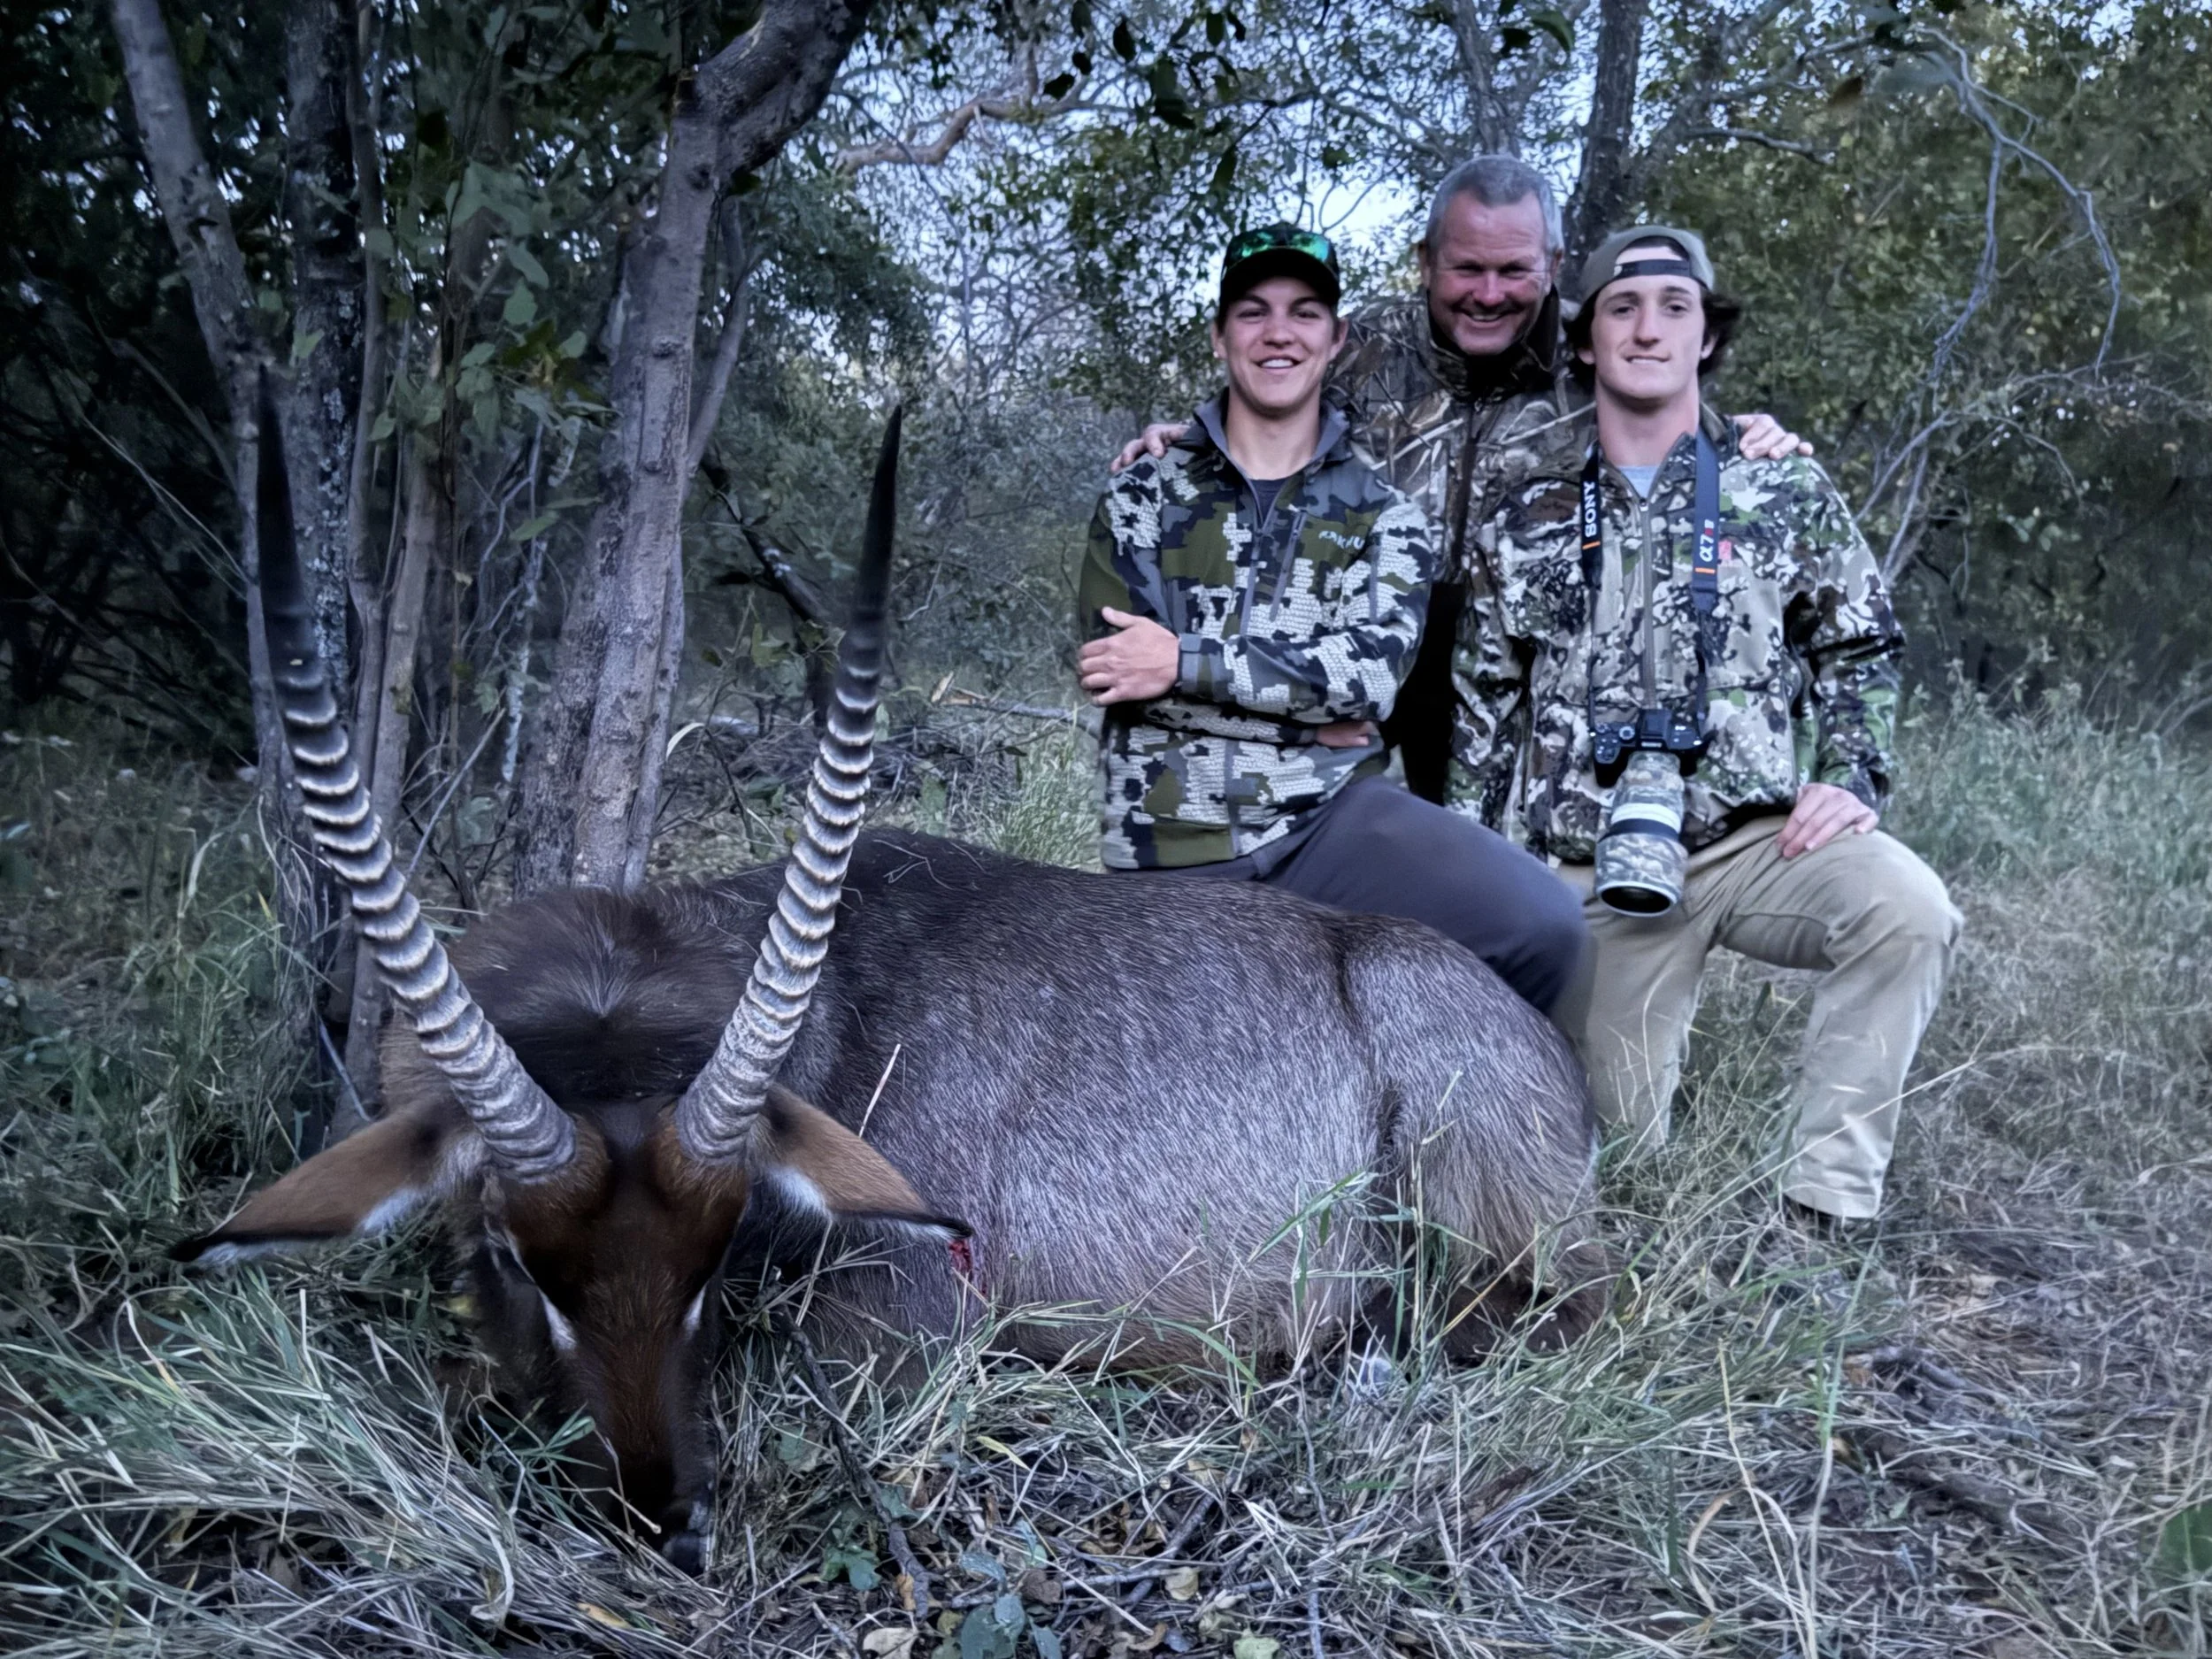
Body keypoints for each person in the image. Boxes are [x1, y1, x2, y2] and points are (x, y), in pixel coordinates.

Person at [1463, 224, 1962, 1224]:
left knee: (1907, 911)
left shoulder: (1782, 487)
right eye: (1622, 309)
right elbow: (1482, 703)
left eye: (1673, 309)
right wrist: (1477, 875)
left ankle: (1821, 1205)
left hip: (1753, 841)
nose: (1648, 331)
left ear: (1706, 339)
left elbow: (1858, 645)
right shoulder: (1525, 516)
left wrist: (1850, 777)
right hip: (1590, 865)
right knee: (1621, 1178)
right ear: (1586, 342)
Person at [1110, 157, 1808, 802]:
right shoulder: (1366, 346)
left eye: (1514, 270)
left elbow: (1690, 438)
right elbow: (1254, 411)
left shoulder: (1597, 352)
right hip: (1354, 652)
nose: (1489, 294)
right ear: (1425, 261)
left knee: (1486, 889)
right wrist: (1183, 441)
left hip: (1519, 677)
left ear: (1555, 263)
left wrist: (1751, 439)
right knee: (1298, 858)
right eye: (1466, 269)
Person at [1075, 223, 1586, 1015]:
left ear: (1337, 339)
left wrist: (1183, 662)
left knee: (1544, 923)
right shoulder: (1142, 495)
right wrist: (1302, 719)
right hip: (1172, 837)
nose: (1279, 333)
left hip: (1324, 821)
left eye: (1305, 312)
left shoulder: (1384, 515)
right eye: (1253, 312)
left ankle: (1491, 1124)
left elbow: (1366, 680)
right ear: (1219, 336)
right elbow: (1119, 675)